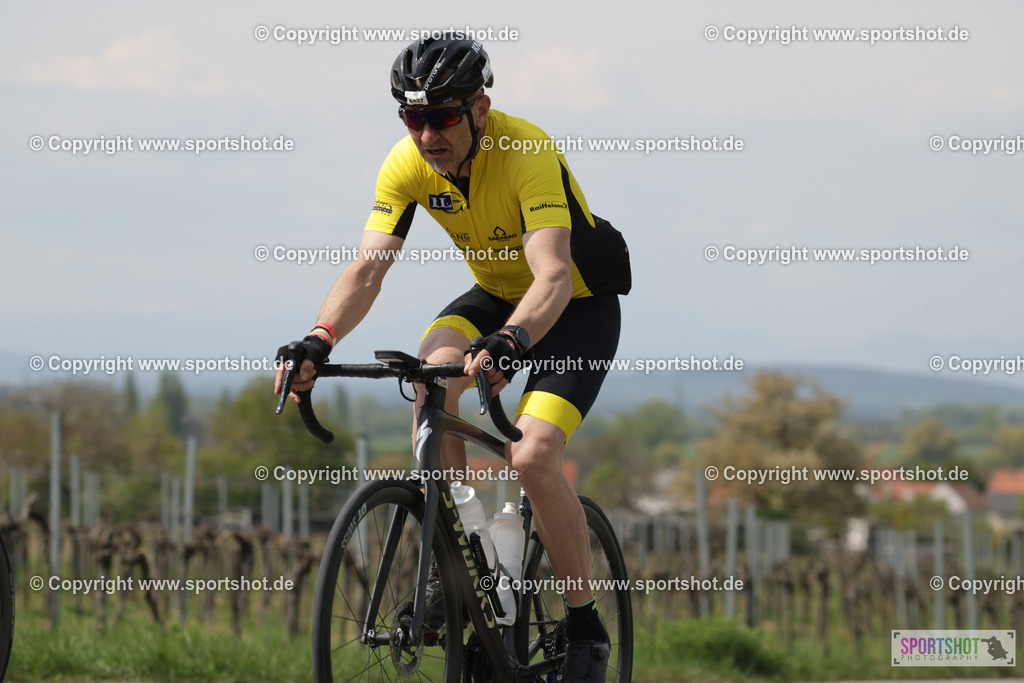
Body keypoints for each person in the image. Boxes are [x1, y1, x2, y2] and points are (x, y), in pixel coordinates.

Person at [275, 35, 630, 682]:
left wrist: (513, 341)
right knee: (428, 377)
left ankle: (585, 623)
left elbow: (550, 274)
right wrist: (319, 338)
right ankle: (456, 562)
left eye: (442, 116)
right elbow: (367, 270)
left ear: (481, 109)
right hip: (495, 297)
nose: (427, 133)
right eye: (413, 118)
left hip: (574, 304)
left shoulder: (525, 149)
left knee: (531, 454)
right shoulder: (405, 165)